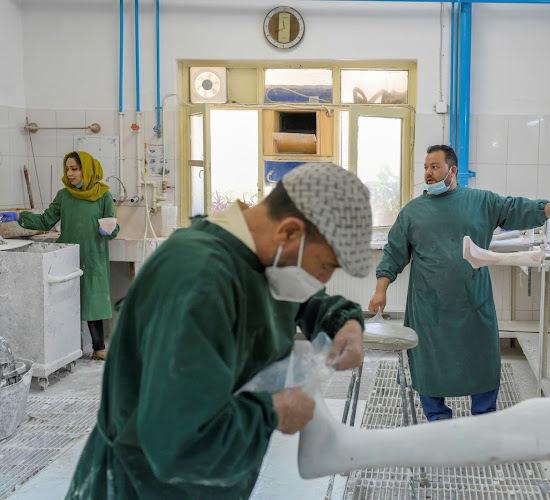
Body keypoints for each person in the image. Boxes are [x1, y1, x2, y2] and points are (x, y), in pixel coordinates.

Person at [64, 162, 372, 499]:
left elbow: (307, 299)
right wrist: (273, 411)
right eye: (327, 266)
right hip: (146, 485)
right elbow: (178, 440)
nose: (324, 280)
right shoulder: (199, 281)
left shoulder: (265, 258)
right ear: (289, 232)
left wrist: (345, 322)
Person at [368, 144, 550, 421]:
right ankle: (437, 418)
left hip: (473, 303)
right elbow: (393, 253)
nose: (429, 174)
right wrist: (380, 289)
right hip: (428, 306)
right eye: (425, 167)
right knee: (430, 362)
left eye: (435, 167)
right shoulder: (413, 212)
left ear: (452, 170)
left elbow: (517, 208)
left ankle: (484, 417)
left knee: (480, 359)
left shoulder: (481, 202)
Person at [1, 151, 119, 360]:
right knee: (67, 301)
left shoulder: (104, 195)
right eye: (67, 169)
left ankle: (99, 348)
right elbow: (46, 221)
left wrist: (109, 230)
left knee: (94, 299)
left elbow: (113, 225)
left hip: (93, 255)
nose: (70, 173)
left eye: (74, 168)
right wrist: (19, 216)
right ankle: (68, 349)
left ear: (87, 169)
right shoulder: (64, 195)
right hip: (68, 255)